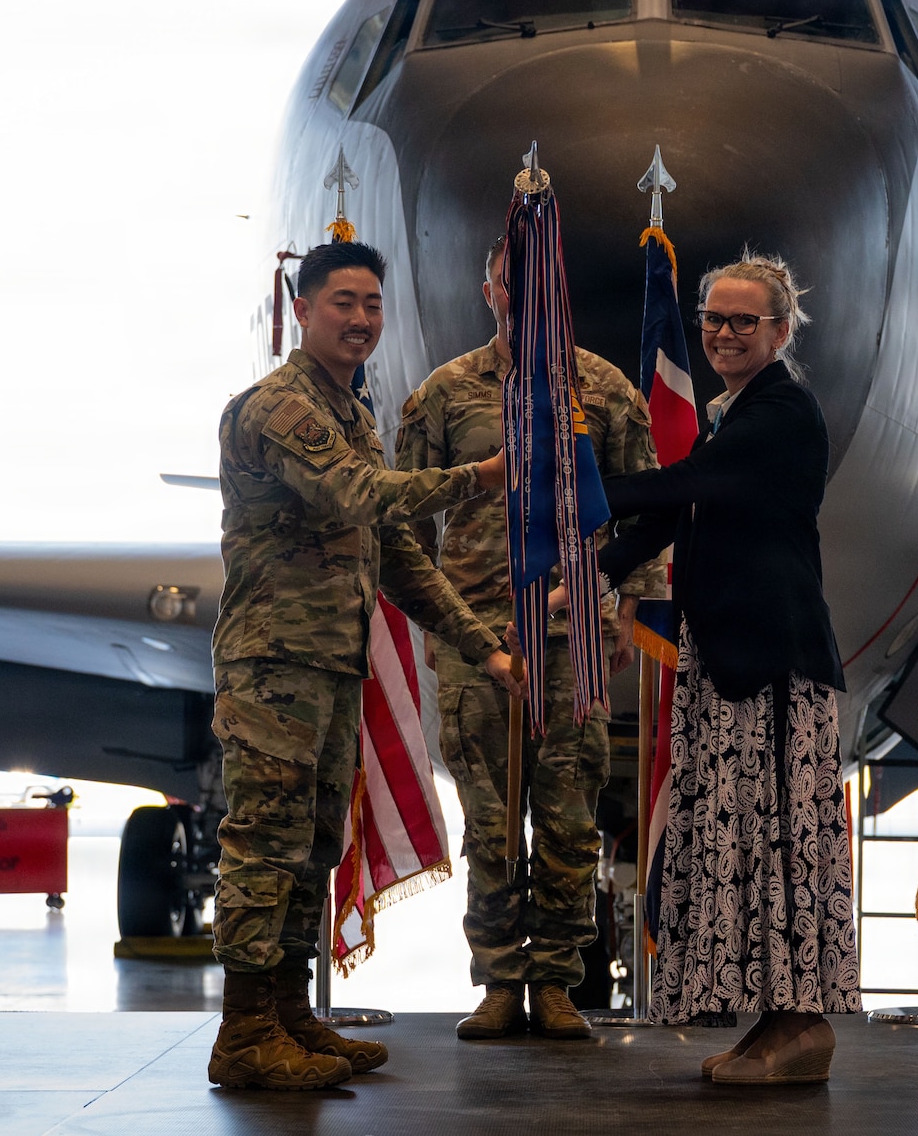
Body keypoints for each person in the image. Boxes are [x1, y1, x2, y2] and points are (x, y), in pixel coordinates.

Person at [207, 239, 522, 1091]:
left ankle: (287, 1016)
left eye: (372, 304)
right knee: (263, 845)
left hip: (330, 665)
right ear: (301, 309)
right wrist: (480, 476)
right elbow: (355, 495)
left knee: (312, 847)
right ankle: (242, 1033)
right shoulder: (281, 407)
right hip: (273, 664)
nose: (360, 318)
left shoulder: (352, 413)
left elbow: (398, 557)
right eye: (342, 302)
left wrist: (479, 642)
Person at [581, 250, 858, 1084]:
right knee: (740, 841)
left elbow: (687, 484)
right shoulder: (732, 412)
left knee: (776, 843)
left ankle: (801, 1026)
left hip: (771, 664)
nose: (725, 333)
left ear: (780, 330)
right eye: (713, 319)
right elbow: (681, 516)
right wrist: (595, 569)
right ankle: (772, 1025)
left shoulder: (782, 410)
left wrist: (578, 489)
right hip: (731, 657)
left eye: (745, 320)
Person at [395, 236, 665, 1042]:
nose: (528, 296)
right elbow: (404, 524)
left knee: (571, 820)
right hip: (479, 643)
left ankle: (555, 980)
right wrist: (453, 631)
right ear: (491, 291)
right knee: (489, 822)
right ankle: (499, 980)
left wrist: (632, 608)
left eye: (543, 281)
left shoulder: (606, 389)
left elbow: (644, 509)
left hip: (569, 638)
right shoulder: (442, 396)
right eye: (515, 284)